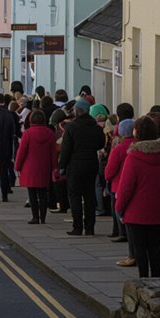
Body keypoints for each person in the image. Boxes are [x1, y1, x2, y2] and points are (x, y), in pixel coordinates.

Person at [114, 117, 160, 278]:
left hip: (135, 211)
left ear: (137, 133)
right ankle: (157, 279)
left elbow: (126, 187)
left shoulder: (133, 157)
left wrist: (119, 207)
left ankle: (143, 280)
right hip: (157, 209)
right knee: (154, 247)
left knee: (139, 248)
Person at [58, 98, 106, 236]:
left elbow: (66, 149)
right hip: (91, 164)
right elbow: (101, 144)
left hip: (75, 165)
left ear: (77, 111)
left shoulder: (71, 127)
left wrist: (62, 166)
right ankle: (90, 227)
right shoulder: (96, 128)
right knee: (90, 195)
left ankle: (77, 227)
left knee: (75, 196)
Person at [15, 110, 57, 224]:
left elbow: (21, 152)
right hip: (45, 166)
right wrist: (54, 167)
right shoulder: (50, 133)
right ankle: (43, 217)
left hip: (30, 167)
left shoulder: (27, 133)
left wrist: (17, 166)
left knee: (32, 193)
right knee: (43, 192)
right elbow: (53, 153)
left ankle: (35, 217)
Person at [105, 118, 137, 266]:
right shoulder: (139, 146)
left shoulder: (118, 148)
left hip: (118, 185)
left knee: (120, 212)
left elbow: (110, 170)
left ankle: (122, 234)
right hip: (137, 188)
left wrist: (108, 178)